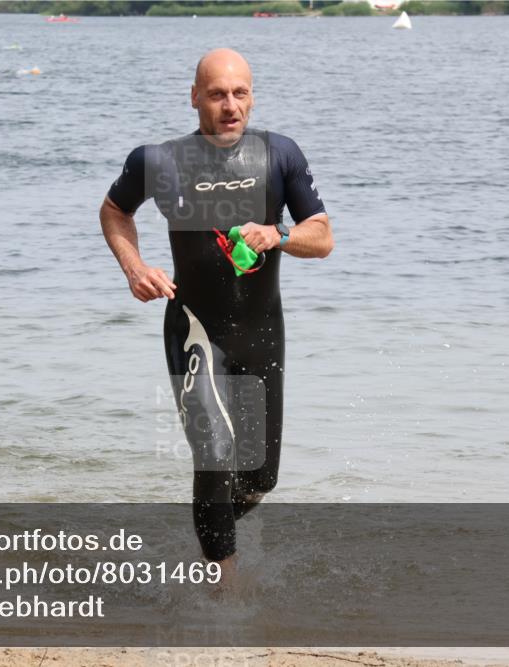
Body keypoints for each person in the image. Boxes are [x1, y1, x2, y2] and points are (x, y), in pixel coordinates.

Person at [99, 48, 333, 589]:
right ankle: (223, 594)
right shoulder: (157, 160)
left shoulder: (280, 154)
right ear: (195, 98)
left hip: (262, 333)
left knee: (257, 480)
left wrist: (280, 234)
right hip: (195, 330)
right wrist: (134, 267)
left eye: (240, 93)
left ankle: (207, 539)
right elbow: (115, 211)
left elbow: (323, 237)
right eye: (217, 94)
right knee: (216, 455)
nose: (231, 106)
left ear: (252, 95)